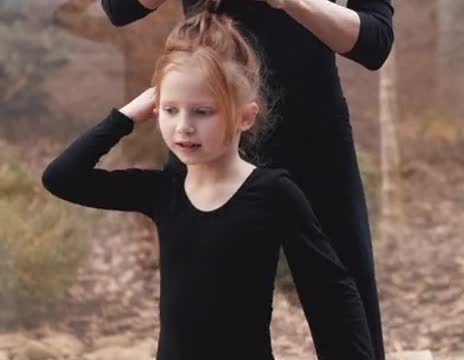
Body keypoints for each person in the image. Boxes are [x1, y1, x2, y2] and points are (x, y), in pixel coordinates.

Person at [41, 9, 374, 359]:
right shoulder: (164, 192)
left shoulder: (273, 194)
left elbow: (333, 291)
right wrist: (127, 116)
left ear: (245, 116)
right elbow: (62, 178)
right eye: (170, 110)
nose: (183, 126)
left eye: (202, 111)